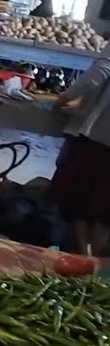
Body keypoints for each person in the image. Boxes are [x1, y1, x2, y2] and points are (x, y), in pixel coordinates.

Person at [51, 53, 110, 255]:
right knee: (103, 211)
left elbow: (100, 71)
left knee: (81, 201)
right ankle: (92, 267)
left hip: (100, 137)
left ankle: (83, 260)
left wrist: (63, 98)